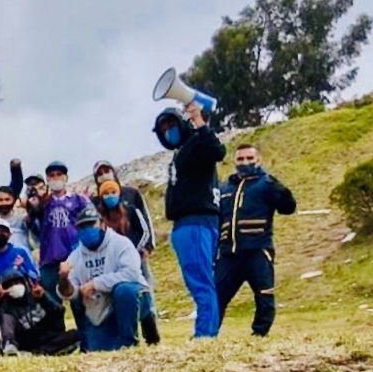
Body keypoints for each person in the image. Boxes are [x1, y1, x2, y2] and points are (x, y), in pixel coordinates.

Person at [154, 103, 227, 339]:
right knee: (202, 280)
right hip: (191, 223)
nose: (168, 131)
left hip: (194, 222)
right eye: (164, 128)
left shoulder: (196, 143)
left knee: (200, 281)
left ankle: (205, 334)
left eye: (171, 125)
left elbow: (217, 151)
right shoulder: (182, 151)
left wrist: (199, 120)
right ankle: (208, 332)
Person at [216, 144, 297, 337]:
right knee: (216, 295)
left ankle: (259, 334)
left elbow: (288, 208)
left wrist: (283, 192)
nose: (245, 163)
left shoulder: (267, 184)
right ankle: (208, 334)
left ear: (258, 160)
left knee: (264, 294)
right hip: (229, 254)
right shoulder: (225, 188)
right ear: (234, 162)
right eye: (241, 159)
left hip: (258, 249)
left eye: (250, 159)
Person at [58, 208, 153, 352]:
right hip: (100, 305)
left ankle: (131, 340)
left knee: (124, 290)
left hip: (131, 298)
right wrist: (63, 279)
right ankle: (87, 341)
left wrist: (96, 283)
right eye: (82, 226)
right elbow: (70, 292)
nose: (88, 229)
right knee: (99, 348)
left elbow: (131, 273)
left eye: (91, 224)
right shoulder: (75, 257)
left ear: (102, 224)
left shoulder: (121, 243)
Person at [95, 180, 160, 345]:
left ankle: (151, 332)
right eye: (106, 194)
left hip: (135, 259)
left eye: (113, 192)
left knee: (141, 293)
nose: (110, 196)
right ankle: (125, 336)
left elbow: (145, 230)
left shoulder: (130, 210)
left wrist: (140, 250)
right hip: (112, 263)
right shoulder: (99, 219)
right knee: (118, 296)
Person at [29, 161, 89, 299]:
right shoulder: (42, 202)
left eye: (59, 175)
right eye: (51, 175)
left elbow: (91, 220)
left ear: (66, 178)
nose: (55, 178)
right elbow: (33, 224)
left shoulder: (77, 200)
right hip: (49, 259)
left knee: (80, 300)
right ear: (47, 180)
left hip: (75, 258)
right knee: (52, 305)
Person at [0, 271, 78, 356]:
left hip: (50, 338)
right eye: (10, 285)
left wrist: (43, 299)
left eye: (17, 283)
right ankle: (39, 352)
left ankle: (39, 353)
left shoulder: (37, 294)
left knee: (74, 335)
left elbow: (59, 312)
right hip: (28, 343)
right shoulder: (6, 307)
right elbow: (7, 330)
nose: (14, 287)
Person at [92, 160, 155, 250]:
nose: (104, 176)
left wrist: (148, 245)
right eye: (100, 174)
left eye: (107, 171)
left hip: (136, 249)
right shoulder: (94, 202)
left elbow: (145, 218)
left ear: (113, 173)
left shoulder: (132, 193)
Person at [0, 186, 31, 252]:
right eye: (0, 200)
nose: (4, 203)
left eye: (7, 199)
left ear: (13, 200)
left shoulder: (22, 216)